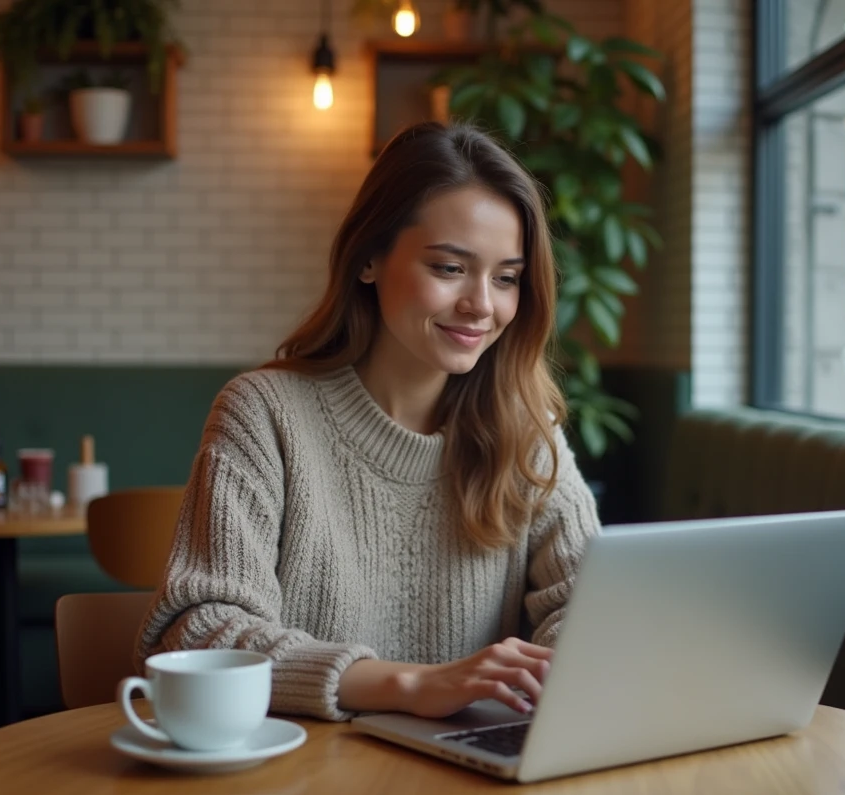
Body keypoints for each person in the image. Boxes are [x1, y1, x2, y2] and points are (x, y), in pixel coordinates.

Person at [136, 121, 601, 722]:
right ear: (369, 260)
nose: (483, 306)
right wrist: (409, 685)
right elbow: (197, 630)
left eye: (506, 278)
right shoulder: (264, 414)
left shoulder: (525, 432)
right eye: (449, 268)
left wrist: (559, 665)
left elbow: (590, 605)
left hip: (469, 775)